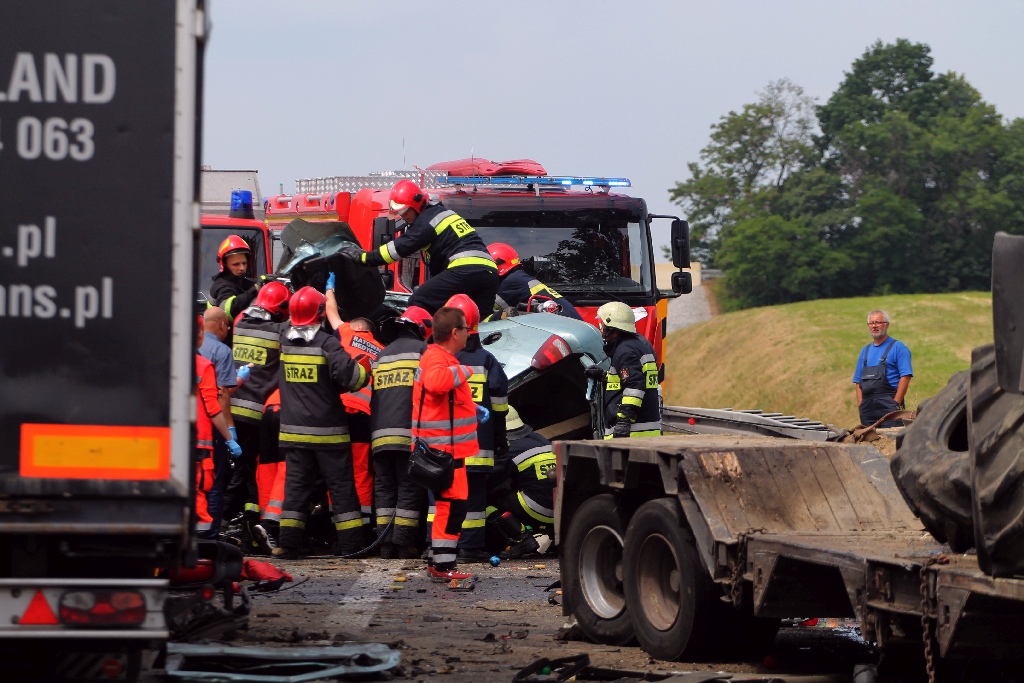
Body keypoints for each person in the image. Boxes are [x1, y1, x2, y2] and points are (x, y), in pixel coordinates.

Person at [273, 286, 370, 559]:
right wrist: (364, 369)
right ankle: (351, 545)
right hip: (328, 433)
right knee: (341, 488)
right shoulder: (327, 343)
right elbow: (352, 379)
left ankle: (288, 544)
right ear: (319, 314)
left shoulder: (283, 341)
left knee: (296, 489)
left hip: (293, 432)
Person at [342, 179, 499, 316]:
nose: (403, 216)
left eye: (405, 211)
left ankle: (414, 339)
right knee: (479, 318)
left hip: (465, 269)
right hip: (489, 272)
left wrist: (363, 257)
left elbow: (398, 249)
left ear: (417, 205)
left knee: (420, 300)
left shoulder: (427, 221)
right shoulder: (442, 213)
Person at [225, 281, 290, 555]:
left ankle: (241, 527)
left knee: (241, 471)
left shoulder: (240, 325)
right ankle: (248, 528)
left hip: (230, 410)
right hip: (256, 413)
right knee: (252, 475)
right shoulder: (277, 332)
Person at [413, 306, 478, 582]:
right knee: (452, 507)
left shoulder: (437, 356)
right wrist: (464, 371)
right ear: (454, 332)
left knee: (450, 507)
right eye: (465, 329)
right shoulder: (438, 358)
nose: (469, 334)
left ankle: (440, 563)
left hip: (445, 450)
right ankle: (443, 566)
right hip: (443, 451)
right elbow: (436, 382)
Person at [444, 294, 509, 563]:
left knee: (440, 501)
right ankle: (469, 549)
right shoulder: (486, 360)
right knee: (473, 501)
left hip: (442, 448)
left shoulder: (436, 358)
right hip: (476, 448)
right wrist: (499, 439)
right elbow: (500, 407)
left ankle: (437, 548)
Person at [369, 305, 433, 559]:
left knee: (384, 487)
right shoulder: (423, 352)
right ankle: (404, 544)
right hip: (409, 433)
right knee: (409, 486)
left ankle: (385, 545)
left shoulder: (382, 355)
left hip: (379, 434)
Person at [325, 277, 385, 538]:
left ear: (358, 327)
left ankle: (334, 525)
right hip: (364, 416)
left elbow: (330, 311)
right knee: (361, 470)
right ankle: (363, 524)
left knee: (337, 469)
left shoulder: (347, 332)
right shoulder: (382, 351)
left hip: (338, 411)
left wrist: (329, 287)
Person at [199, 307, 245, 538]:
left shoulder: (183, 352)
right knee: (214, 482)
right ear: (222, 325)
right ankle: (211, 535)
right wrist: (230, 431)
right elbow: (221, 394)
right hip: (210, 430)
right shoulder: (220, 351)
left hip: (188, 428)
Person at [486, 405, 555, 560]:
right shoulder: (540, 438)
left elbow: (489, 479)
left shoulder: (508, 447)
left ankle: (522, 537)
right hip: (561, 507)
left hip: (537, 508)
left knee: (484, 500)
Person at [585, 301, 662, 438]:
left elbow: (634, 386)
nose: (601, 329)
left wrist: (624, 420)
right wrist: (604, 376)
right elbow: (630, 379)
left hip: (633, 433)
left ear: (611, 327)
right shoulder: (640, 345)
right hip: (646, 429)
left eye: (602, 325)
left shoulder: (625, 351)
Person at [486, 242, 582, 321]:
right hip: (573, 326)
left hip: (564, 327)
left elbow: (486, 308)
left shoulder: (510, 282)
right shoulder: (519, 278)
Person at [853, 309, 913, 427]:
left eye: (878, 322)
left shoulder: (898, 348)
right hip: (867, 411)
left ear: (887, 325)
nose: (874, 326)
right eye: (871, 323)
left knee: (891, 439)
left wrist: (895, 404)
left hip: (890, 410)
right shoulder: (865, 351)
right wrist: (861, 405)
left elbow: (905, 377)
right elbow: (857, 382)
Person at [210, 234, 261, 320]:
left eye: (244, 263)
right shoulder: (222, 285)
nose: (242, 268)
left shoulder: (239, 281)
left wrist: (265, 282)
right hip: (225, 328)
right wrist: (255, 288)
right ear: (225, 265)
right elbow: (229, 310)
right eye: (236, 264)